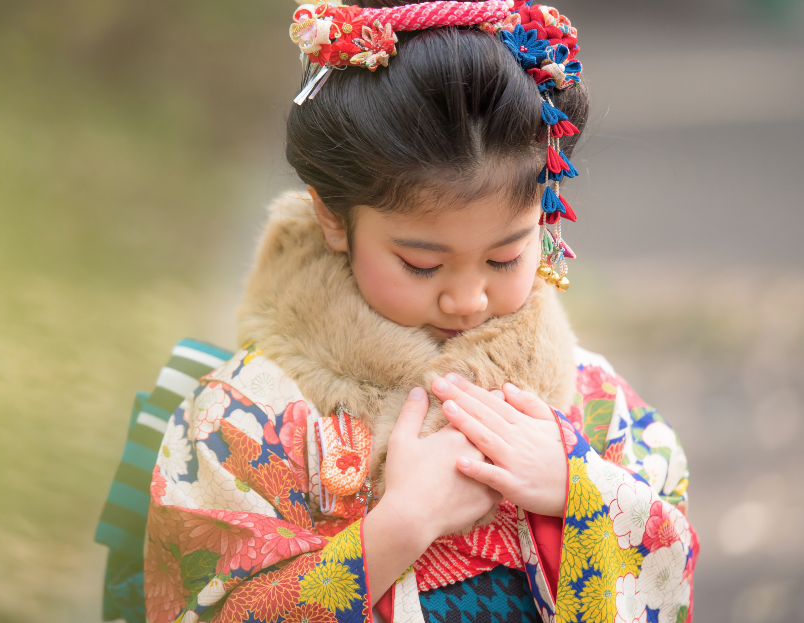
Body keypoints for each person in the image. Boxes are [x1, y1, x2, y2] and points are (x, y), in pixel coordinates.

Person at [143, 1, 699, 622]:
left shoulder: (594, 406)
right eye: (422, 265)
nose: (467, 300)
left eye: (504, 257)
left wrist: (579, 492)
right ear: (333, 218)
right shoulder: (246, 418)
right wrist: (399, 528)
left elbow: (670, 571)